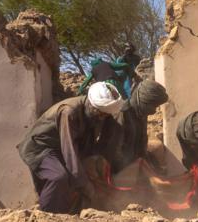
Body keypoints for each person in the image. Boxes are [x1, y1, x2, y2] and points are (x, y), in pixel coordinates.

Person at [17, 82, 124, 213]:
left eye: (105, 115)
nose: (102, 117)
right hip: (41, 147)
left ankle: (67, 212)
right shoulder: (69, 112)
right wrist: (86, 185)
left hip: (61, 147)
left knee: (83, 173)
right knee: (58, 177)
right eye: (100, 113)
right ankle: (48, 217)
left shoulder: (96, 113)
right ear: (91, 104)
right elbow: (70, 153)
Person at [97, 80, 168, 174]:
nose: (154, 111)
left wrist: (147, 166)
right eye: (153, 106)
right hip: (117, 170)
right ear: (143, 101)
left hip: (134, 164)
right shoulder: (121, 114)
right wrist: (132, 172)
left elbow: (142, 142)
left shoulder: (141, 114)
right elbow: (113, 152)